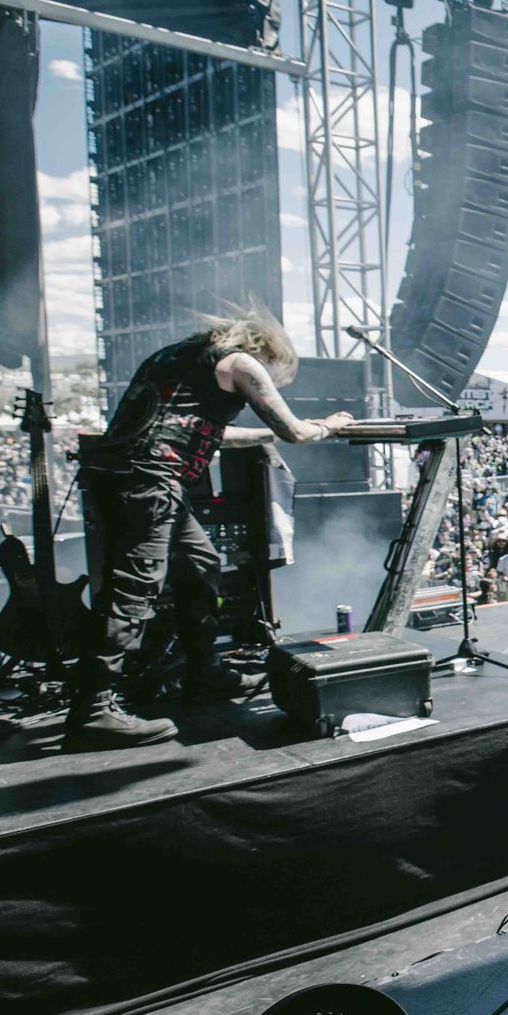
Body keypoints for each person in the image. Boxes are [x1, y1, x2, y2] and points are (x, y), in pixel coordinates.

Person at [67, 310, 350, 750]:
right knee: (132, 590)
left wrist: (267, 436)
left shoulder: (176, 358)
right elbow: (295, 431)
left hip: (132, 477)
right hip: (151, 482)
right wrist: (331, 426)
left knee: (201, 563)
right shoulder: (241, 363)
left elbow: (210, 433)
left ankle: (204, 672)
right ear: (269, 355)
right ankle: (93, 709)